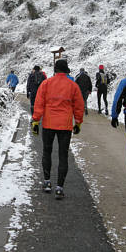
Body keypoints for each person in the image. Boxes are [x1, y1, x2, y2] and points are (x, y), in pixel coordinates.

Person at [31, 59, 84, 200]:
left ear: (55, 70)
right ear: (66, 71)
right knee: (63, 155)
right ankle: (59, 188)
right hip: (65, 125)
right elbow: (79, 106)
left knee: (47, 152)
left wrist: (36, 120)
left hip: (48, 124)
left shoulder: (46, 84)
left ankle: (47, 182)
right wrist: (78, 122)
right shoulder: (73, 86)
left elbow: (39, 103)